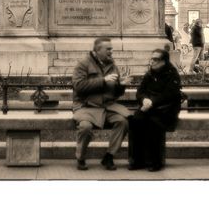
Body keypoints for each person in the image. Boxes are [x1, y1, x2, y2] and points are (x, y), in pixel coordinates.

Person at [72, 37, 129, 171]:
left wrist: (121, 86)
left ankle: (109, 156)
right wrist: (102, 80)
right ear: (98, 50)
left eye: (111, 49)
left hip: (107, 106)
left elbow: (115, 93)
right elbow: (78, 86)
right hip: (86, 106)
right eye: (108, 49)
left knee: (123, 122)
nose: (111, 51)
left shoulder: (112, 65)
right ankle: (80, 157)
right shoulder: (83, 64)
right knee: (85, 127)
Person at [127, 48, 182, 172]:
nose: (152, 62)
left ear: (164, 61)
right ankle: (137, 160)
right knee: (135, 121)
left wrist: (152, 102)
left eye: (156, 59)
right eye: (151, 58)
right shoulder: (150, 74)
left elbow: (170, 94)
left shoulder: (172, 74)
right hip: (149, 107)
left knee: (153, 123)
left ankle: (155, 161)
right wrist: (144, 99)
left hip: (166, 110)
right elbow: (140, 91)